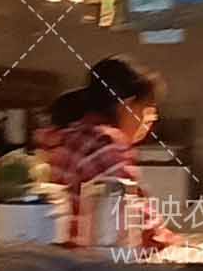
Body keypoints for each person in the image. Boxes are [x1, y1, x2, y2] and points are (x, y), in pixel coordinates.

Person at [34, 59, 172, 251]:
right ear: (128, 106)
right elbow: (139, 227)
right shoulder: (105, 146)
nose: (151, 120)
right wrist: (170, 240)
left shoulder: (64, 136)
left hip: (56, 257)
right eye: (148, 111)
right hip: (90, 262)